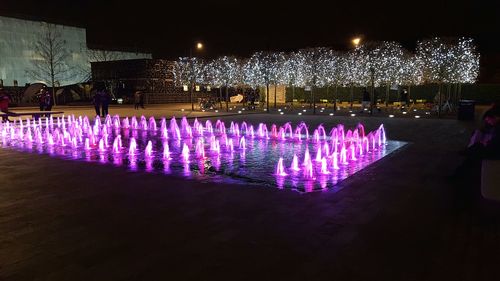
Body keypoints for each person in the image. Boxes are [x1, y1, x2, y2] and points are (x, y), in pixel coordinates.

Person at [450, 105, 500, 203]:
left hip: (494, 154)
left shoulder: (498, 129)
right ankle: (460, 173)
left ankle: (461, 176)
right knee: (474, 149)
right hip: (492, 150)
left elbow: (494, 147)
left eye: (489, 119)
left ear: (496, 117)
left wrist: (484, 144)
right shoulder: (496, 126)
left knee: (474, 151)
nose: (487, 121)